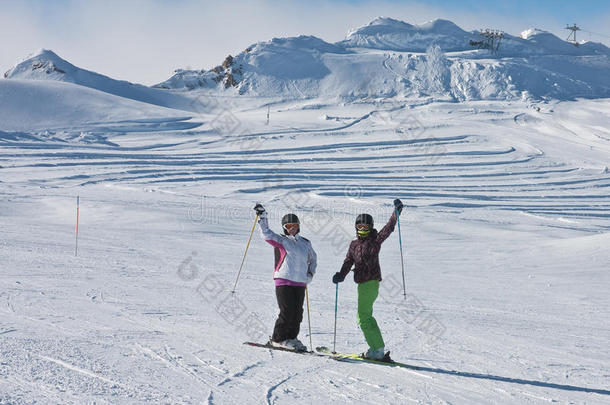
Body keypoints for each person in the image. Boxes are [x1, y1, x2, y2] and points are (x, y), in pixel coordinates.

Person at [332, 199, 404, 360]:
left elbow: (388, 228)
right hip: (362, 284)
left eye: (366, 227)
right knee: (365, 315)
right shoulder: (353, 244)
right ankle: (376, 348)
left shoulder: (375, 240)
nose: (363, 229)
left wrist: (396, 213)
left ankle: (377, 349)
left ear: (371, 227)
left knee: (363, 316)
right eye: (360, 227)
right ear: (356, 228)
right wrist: (341, 275)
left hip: (371, 282)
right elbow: (348, 261)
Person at [254, 203, 317, 352]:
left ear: (299, 226)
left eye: (294, 225)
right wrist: (262, 217)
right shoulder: (281, 241)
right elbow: (266, 233)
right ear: (284, 228)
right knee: (287, 311)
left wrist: (310, 274)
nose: (292, 229)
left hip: (300, 282)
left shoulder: (305, 243)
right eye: (289, 226)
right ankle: (278, 339)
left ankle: (292, 338)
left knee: (297, 313)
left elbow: (313, 259)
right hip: (284, 280)